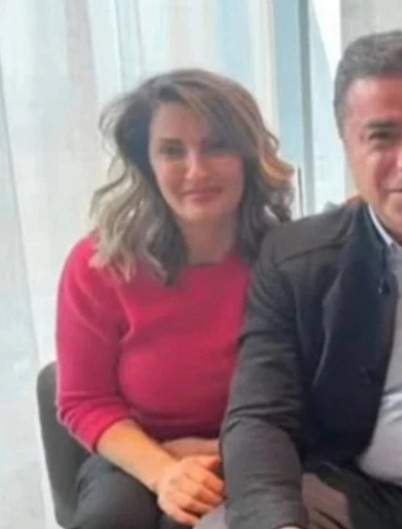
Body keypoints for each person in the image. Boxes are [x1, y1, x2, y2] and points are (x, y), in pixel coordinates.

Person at [210, 31, 402, 529]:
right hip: (341, 481)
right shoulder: (294, 259)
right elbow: (260, 416)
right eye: (382, 136)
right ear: (346, 144)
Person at [55, 69, 293, 529]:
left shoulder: (287, 260)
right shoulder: (100, 264)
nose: (196, 170)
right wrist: (165, 471)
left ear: (248, 157)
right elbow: (84, 399)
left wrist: (224, 451)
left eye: (217, 147)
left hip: (260, 450)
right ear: (147, 163)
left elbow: (315, 394)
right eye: (172, 151)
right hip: (135, 456)